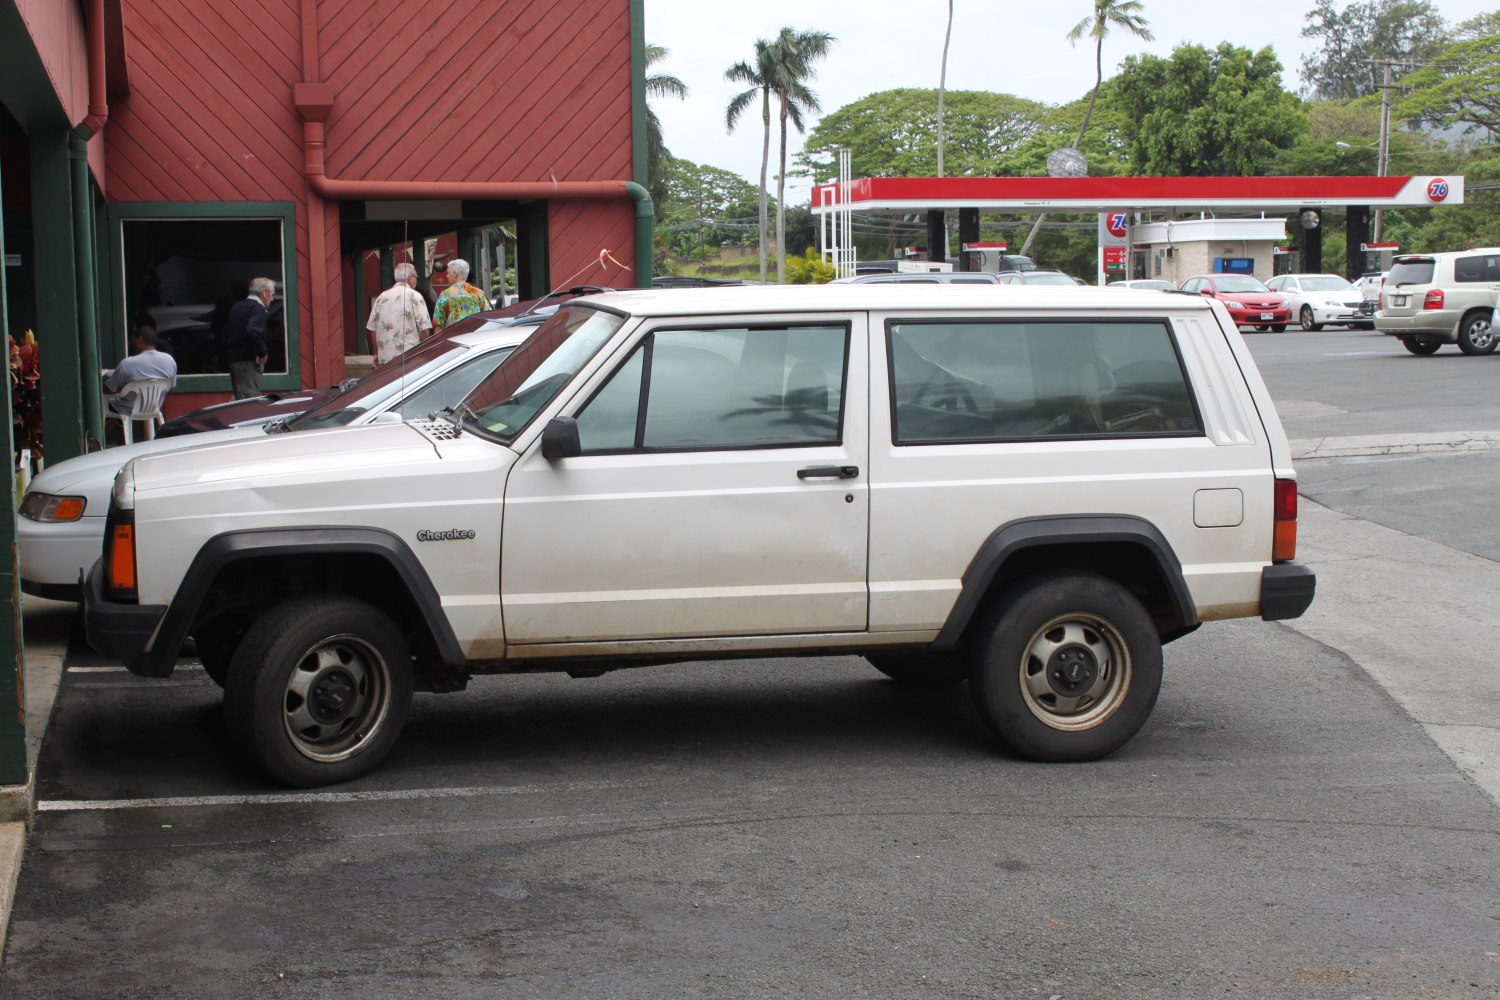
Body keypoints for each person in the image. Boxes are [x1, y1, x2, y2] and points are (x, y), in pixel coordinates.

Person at [366, 262, 433, 365]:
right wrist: (426, 352)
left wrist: (376, 354)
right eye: (416, 277)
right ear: (410, 278)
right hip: (408, 358)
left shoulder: (381, 297)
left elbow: (373, 330)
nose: (416, 280)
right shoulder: (415, 296)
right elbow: (424, 329)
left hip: (385, 359)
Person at [104, 326, 178, 415]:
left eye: (133, 340)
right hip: (154, 408)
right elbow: (171, 386)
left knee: (104, 403)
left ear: (140, 339)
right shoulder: (169, 360)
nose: (133, 344)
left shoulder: (127, 363)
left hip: (127, 409)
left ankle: (112, 426)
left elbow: (109, 389)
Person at [223, 276, 275, 399]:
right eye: (272, 294)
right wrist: (262, 353)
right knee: (250, 401)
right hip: (248, 361)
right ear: (264, 293)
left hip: (234, 360)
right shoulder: (258, 308)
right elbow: (253, 330)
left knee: (240, 399)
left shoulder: (237, 307)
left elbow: (225, 334)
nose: (272, 298)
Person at [431, 259, 490, 331]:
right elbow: (489, 318)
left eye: (448, 273)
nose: (447, 276)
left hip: (453, 339)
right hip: (476, 339)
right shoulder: (479, 293)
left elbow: (438, 324)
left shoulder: (445, 294)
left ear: (455, 274)